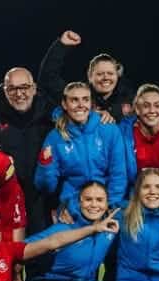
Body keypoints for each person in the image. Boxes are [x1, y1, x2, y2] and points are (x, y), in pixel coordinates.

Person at [0, 31, 74, 233]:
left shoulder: (50, 110)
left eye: (24, 87)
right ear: (4, 89)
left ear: (34, 88)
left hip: (43, 200)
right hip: (4, 197)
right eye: (12, 89)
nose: (19, 94)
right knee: (9, 258)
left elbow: (51, 77)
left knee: (42, 256)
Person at [34, 82, 127, 214]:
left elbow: (118, 173)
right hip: (73, 206)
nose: (80, 105)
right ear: (64, 104)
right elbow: (46, 187)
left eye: (85, 99)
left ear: (91, 104)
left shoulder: (109, 129)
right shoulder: (55, 138)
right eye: (74, 100)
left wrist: (110, 205)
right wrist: (45, 165)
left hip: (106, 203)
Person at [86, 53, 135, 122]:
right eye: (100, 74)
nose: (106, 77)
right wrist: (92, 114)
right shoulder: (79, 95)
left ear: (117, 76)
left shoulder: (130, 98)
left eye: (110, 73)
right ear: (90, 76)